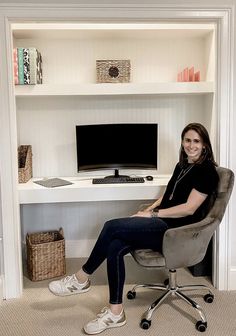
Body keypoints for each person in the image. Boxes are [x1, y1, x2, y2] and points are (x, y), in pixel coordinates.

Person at [49, 122, 219, 335]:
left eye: (196, 141)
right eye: (187, 140)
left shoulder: (207, 172)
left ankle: (81, 278)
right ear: (182, 142)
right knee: (115, 246)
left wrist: (151, 215)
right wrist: (150, 208)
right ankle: (115, 313)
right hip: (162, 224)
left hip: (176, 233)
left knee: (111, 227)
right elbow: (168, 195)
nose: (191, 145)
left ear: (204, 145)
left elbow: (188, 208)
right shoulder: (183, 165)